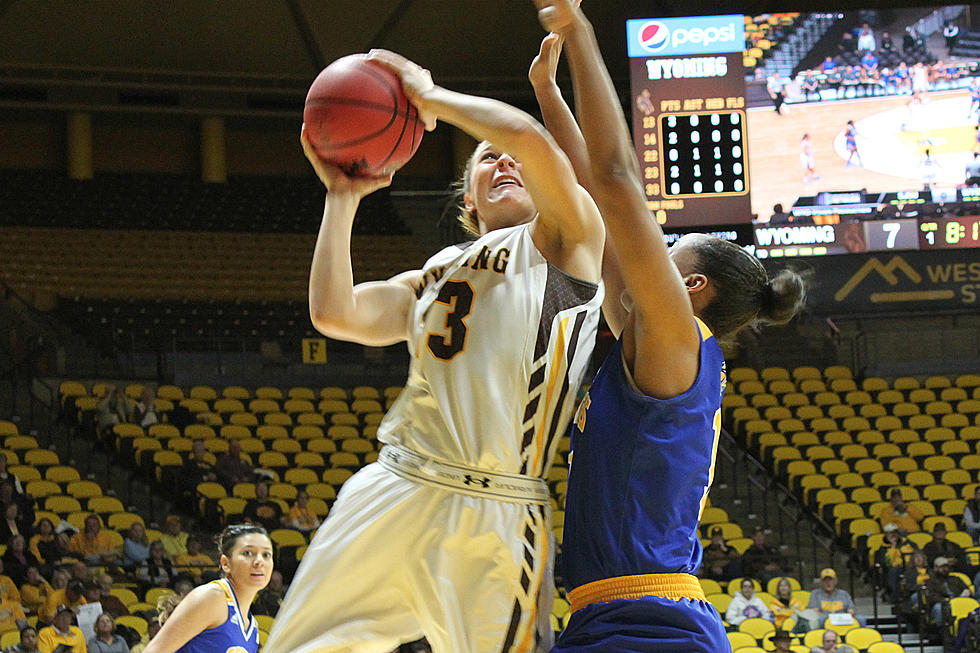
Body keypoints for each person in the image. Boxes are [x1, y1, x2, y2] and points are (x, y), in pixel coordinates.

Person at [265, 36, 605, 653]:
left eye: (512, 160)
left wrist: (429, 96)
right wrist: (341, 199)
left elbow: (529, 137)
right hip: (394, 484)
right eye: (485, 159)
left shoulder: (566, 238)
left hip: (493, 508)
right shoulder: (436, 271)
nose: (504, 161)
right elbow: (334, 312)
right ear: (467, 198)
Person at [526, 2, 805, 651]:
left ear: (689, 287)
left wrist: (581, 34)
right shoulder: (659, 343)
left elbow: (616, 175)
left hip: (650, 621)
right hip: (621, 614)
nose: (655, 246)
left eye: (670, 244)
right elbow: (588, 196)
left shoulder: (678, 337)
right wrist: (546, 92)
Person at [142, 524, 271, 653]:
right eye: (248, 553)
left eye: (266, 554)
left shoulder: (252, 628)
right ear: (226, 564)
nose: (259, 561)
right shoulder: (213, 597)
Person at [875, 523, 915, 602]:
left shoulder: (908, 543)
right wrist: (893, 547)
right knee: (894, 570)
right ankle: (894, 597)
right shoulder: (882, 548)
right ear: (886, 534)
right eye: (890, 533)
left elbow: (917, 554)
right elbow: (886, 563)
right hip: (893, 569)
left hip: (910, 567)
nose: (893, 535)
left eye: (895, 532)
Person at [926, 556, 971, 626]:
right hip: (943, 603)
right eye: (941, 567)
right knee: (938, 608)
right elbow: (931, 596)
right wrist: (944, 600)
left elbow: (966, 589)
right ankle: (942, 631)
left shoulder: (955, 579)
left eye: (946, 566)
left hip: (959, 600)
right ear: (935, 568)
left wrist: (967, 592)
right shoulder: (931, 581)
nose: (944, 569)